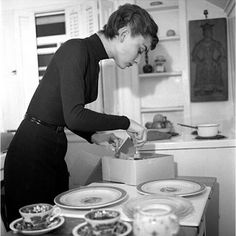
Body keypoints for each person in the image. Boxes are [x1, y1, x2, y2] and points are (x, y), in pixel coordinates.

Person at [4, 3, 159, 227]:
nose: (138, 60)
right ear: (124, 34)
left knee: (56, 226)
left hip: (52, 148)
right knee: (32, 229)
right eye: (141, 49)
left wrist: (94, 135)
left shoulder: (93, 60)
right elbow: (75, 115)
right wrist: (125, 122)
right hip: (31, 153)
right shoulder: (76, 49)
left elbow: (66, 114)